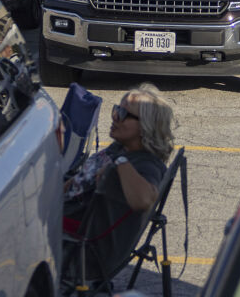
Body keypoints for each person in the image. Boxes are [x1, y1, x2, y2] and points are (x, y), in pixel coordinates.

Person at [62, 85, 175, 281]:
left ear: (145, 125)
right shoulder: (121, 147)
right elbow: (76, 183)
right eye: (117, 109)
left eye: (123, 114)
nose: (115, 116)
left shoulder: (146, 164)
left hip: (76, 250)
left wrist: (120, 164)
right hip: (63, 217)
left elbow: (144, 200)